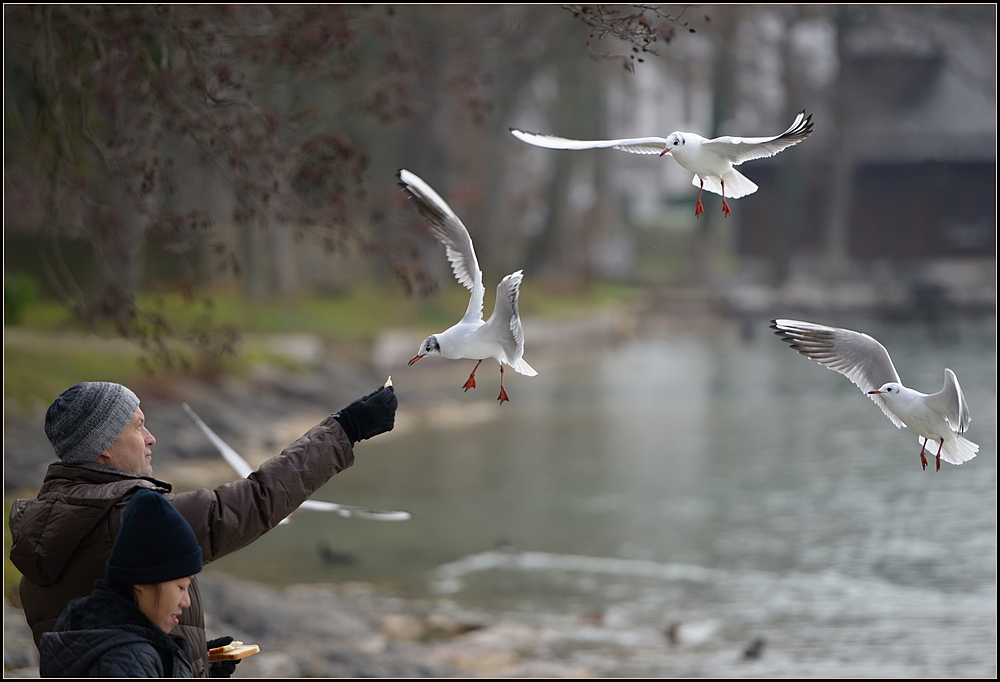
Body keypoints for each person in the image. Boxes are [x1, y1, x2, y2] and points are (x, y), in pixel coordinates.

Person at [9, 380, 396, 678]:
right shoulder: (130, 517)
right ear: (104, 445)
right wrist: (345, 430)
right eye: (139, 426)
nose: (151, 438)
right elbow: (253, 503)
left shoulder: (46, 531)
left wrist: (190, 664)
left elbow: (101, 656)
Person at [39, 489, 204, 677]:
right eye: (181, 587)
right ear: (142, 581)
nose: (187, 601)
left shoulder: (95, 632)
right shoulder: (128, 656)